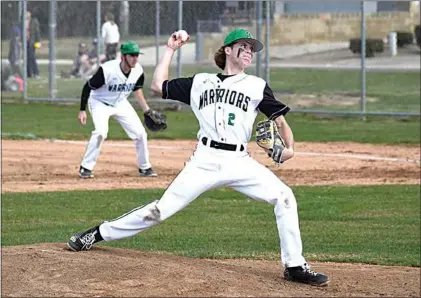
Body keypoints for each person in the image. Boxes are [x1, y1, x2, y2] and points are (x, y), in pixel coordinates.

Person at [67, 29, 329, 287]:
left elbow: (280, 120)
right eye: (244, 46)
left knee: (284, 197)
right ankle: (97, 233)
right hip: (204, 159)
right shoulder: (200, 82)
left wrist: (289, 148)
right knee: (159, 211)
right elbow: (158, 85)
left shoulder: (256, 86)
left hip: (239, 161)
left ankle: (294, 265)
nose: (249, 51)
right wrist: (170, 49)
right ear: (227, 50)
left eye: (251, 48)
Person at [77, 41, 159, 178]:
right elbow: (88, 86)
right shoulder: (108, 70)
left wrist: (147, 110)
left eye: (136, 55)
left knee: (140, 134)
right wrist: (82, 110)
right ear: (123, 56)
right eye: (132, 55)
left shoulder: (138, 70)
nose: (135, 58)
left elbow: (137, 90)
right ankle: (85, 167)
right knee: (101, 132)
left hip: (121, 103)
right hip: (100, 102)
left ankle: (145, 167)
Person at [26, 10, 41, 79]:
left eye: (28, 13)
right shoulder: (23, 21)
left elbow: (37, 32)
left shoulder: (34, 21)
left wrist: (38, 42)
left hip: (32, 42)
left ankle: (36, 73)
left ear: (30, 14)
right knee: (27, 58)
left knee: (32, 57)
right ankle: (28, 74)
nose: (27, 14)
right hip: (25, 42)